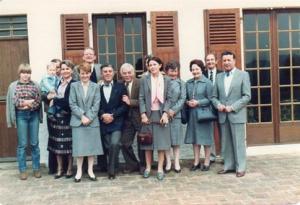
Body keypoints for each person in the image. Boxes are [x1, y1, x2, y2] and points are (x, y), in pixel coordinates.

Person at [211, 51, 251, 177]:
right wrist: (219, 105)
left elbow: (247, 96)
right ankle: (228, 165)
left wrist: (233, 107)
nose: (226, 63)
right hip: (223, 115)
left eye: (229, 60)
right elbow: (213, 97)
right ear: (221, 62)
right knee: (226, 142)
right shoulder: (218, 77)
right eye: (224, 61)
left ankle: (240, 168)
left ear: (234, 61)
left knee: (238, 142)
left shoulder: (243, 75)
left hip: (236, 114)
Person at [6, 63, 42, 180]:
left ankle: (36, 168)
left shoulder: (35, 85)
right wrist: (27, 103)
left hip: (33, 115)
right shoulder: (13, 86)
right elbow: (15, 101)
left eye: (28, 73)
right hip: (21, 116)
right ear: (19, 73)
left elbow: (38, 100)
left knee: (34, 143)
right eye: (23, 72)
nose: (25, 75)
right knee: (22, 144)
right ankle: (22, 170)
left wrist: (27, 104)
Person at [69, 62, 103, 182]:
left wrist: (89, 117)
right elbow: (72, 103)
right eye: (82, 73)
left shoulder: (96, 87)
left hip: (92, 122)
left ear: (90, 74)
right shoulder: (74, 86)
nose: (84, 75)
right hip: (78, 122)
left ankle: (90, 170)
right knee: (79, 149)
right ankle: (78, 171)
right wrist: (82, 116)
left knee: (91, 149)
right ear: (79, 74)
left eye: (87, 73)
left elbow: (96, 104)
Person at [139, 56, 171, 181]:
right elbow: (141, 97)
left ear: (160, 65)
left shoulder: (166, 79)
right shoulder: (144, 79)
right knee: (148, 142)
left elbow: (169, 98)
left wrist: (165, 113)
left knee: (161, 143)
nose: (152, 67)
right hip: (148, 113)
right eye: (150, 65)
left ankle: (159, 169)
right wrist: (142, 114)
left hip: (161, 113)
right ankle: (147, 167)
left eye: (154, 64)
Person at [47, 60, 76, 179]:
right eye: (63, 69)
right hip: (57, 118)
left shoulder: (74, 84)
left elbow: (68, 102)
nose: (65, 71)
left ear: (72, 70)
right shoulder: (59, 83)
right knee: (57, 143)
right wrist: (53, 98)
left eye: (67, 69)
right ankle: (60, 169)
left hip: (68, 116)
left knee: (69, 144)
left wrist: (54, 99)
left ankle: (69, 168)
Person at [99, 64, 128, 179]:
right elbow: (95, 105)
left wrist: (113, 115)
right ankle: (113, 166)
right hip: (103, 122)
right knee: (107, 146)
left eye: (110, 71)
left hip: (117, 122)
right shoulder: (97, 88)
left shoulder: (120, 87)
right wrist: (102, 115)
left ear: (113, 73)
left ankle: (111, 171)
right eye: (105, 71)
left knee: (114, 144)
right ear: (101, 74)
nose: (107, 73)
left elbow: (125, 105)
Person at [185, 59, 214, 172]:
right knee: (195, 139)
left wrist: (198, 102)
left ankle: (206, 162)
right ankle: (196, 161)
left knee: (206, 139)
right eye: (193, 69)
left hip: (204, 114)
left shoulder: (207, 83)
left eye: (197, 69)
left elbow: (211, 99)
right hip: (192, 114)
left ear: (202, 69)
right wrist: (188, 102)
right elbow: (186, 97)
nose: (195, 71)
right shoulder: (188, 83)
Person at [119, 63, 143, 174]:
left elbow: (145, 101)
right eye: (124, 73)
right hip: (127, 119)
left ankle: (144, 165)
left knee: (143, 142)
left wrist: (131, 102)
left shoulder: (141, 83)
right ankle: (133, 164)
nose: (127, 75)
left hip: (140, 117)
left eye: (129, 72)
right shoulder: (119, 84)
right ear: (121, 74)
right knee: (125, 143)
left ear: (133, 73)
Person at [164, 60, 186, 173]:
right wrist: (166, 111)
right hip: (164, 115)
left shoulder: (182, 83)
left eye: (175, 71)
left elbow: (182, 99)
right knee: (166, 140)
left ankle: (176, 161)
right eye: (171, 71)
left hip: (176, 115)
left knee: (176, 140)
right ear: (167, 71)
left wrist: (174, 110)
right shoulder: (162, 82)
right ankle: (168, 162)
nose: (173, 73)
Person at [203, 53, 223, 163]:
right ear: (205, 62)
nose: (210, 62)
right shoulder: (202, 74)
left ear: (216, 61)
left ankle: (225, 155)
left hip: (220, 106)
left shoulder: (222, 74)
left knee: (223, 132)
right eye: (208, 60)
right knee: (209, 132)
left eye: (212, 60)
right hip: (207, 107)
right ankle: (211, 155)